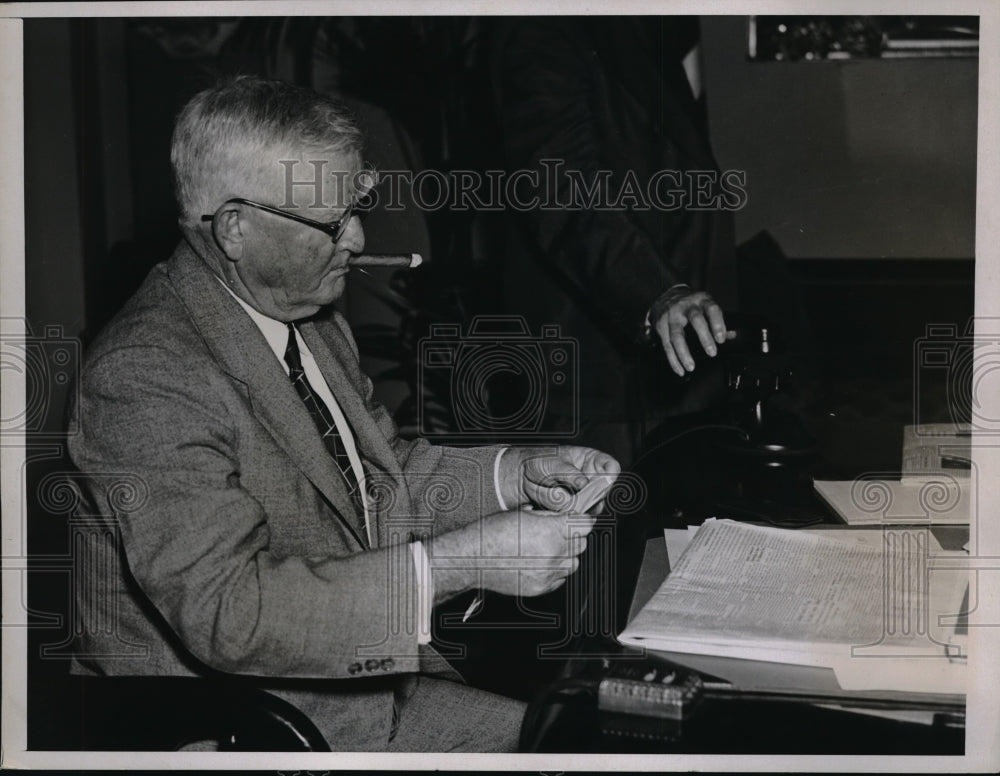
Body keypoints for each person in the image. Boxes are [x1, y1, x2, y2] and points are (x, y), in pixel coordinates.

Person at [67, 75, 619, 752]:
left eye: (358, 208)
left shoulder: (308, 320)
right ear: (236, 227)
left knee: (585, 743)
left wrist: (514, 473)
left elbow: (382, 479)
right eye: (331, 223)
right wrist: (458, 565)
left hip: (360, 695)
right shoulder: (145, 374)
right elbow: (230, 611)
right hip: (245, 728)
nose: (357, 239)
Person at [493, 17, 740, 465]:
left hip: (670, 375)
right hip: (598, 377)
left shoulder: (651, 33)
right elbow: (559, 187)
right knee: (598, 531)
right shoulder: (548, 27)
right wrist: (657, 291)